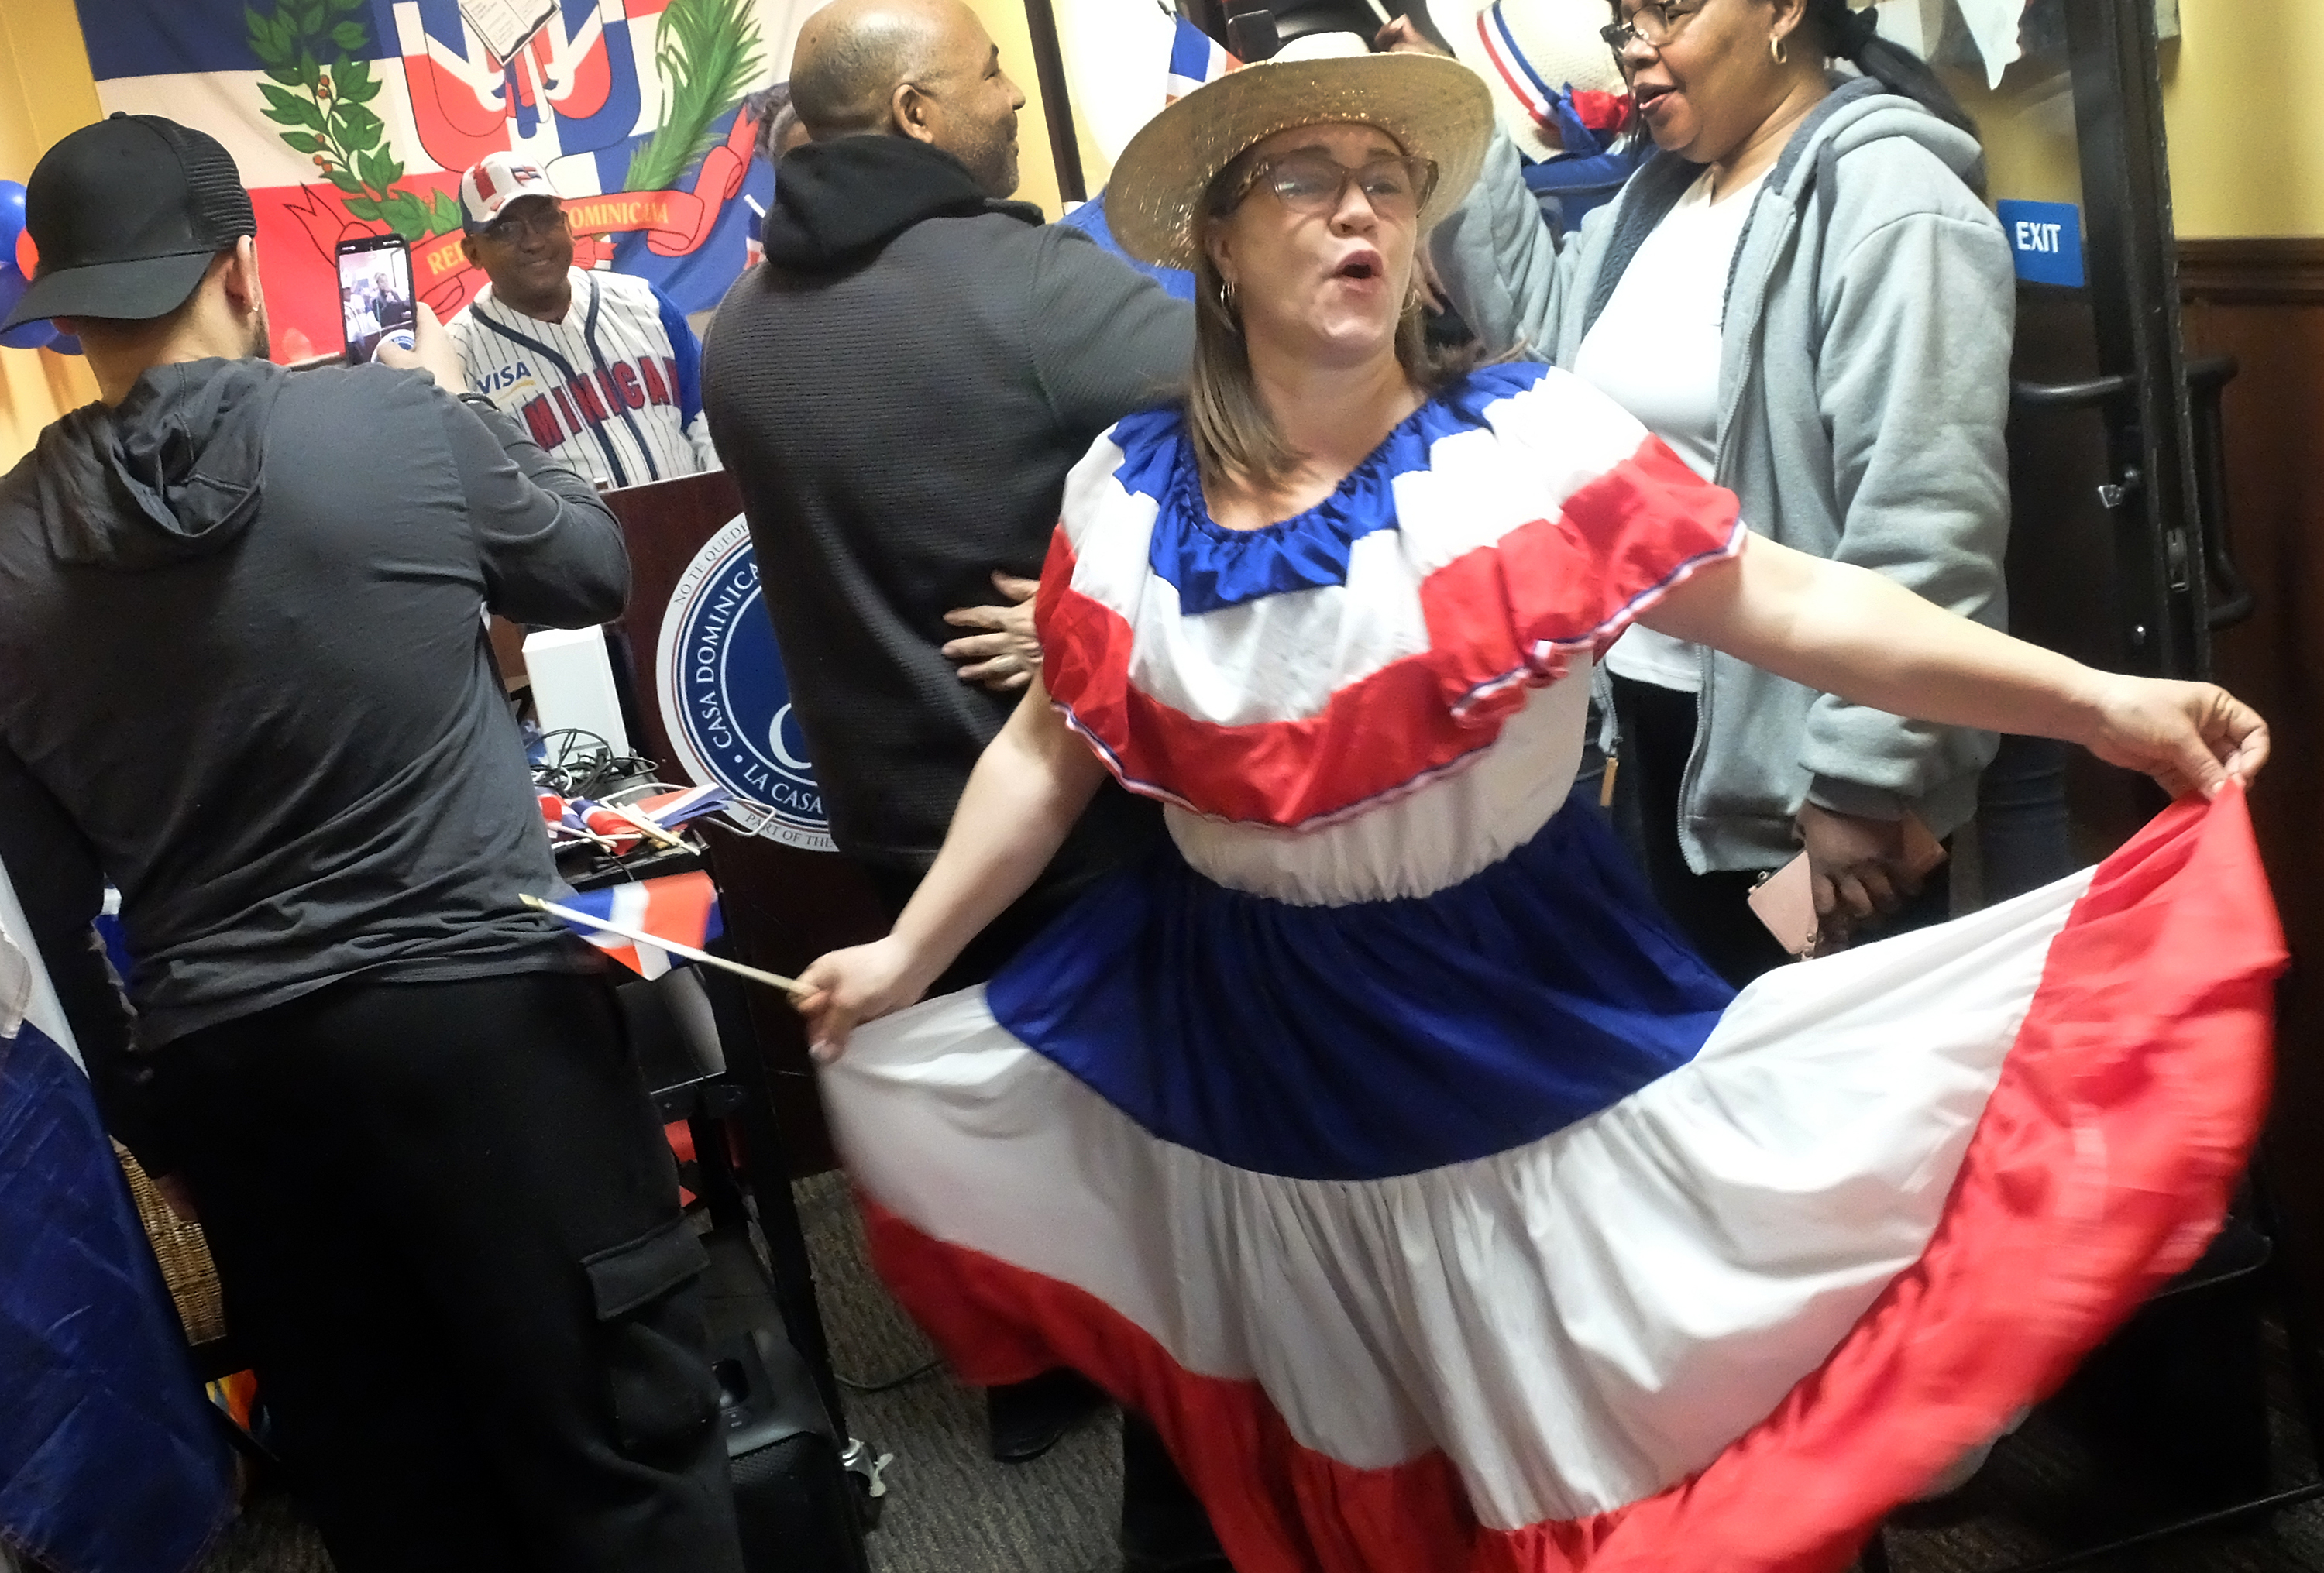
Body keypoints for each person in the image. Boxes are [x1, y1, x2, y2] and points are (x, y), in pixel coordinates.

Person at [789, 51, 2281, 1571]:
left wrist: (2103, 700)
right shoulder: (1121, 495)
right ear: (1220, 247)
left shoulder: (1522, 448)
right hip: (1251, 1050)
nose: (1359, 206)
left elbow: (1790, 600)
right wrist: (910, 953)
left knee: (1601, 1428)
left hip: (1514, 1026)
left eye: (1386, 180)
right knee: (1344, 1435)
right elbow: (1053, 748)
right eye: (1307, 179)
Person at [0, 117, 742, 1573]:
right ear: (235, 268)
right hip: (488, 1036)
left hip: (243, 1077)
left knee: (397, 1484)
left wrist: (157, 1114)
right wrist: (451, 423)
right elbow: (590, 569)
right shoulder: (390, 417)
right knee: (623, 1452)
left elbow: (38, 885)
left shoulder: (8, 552)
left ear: (69, 314)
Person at [699, 0, 1210, 1538]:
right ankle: (1161, 1388)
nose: (1011, 98)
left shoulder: (742, 330)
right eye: (990, 70)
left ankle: (1030, 1374)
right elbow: (1298, 402)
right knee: (1156, 1150)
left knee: (1001, 1112)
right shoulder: (1027, 288)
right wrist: (1107, 602)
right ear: (918, 113)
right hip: (1076, 812)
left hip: (890, 816)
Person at [1420, 0, 2050, 982]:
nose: (1636, 45)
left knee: (1825, 1104)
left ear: (1784, 11)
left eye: (1667, 10)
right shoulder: (1655, 197)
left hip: (1807, 770)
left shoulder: (1891, 200)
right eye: (1622, 20)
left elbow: (1929, 523)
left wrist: (1860, 779)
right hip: (1659, 734)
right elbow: (1545, 358)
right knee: (1704, 1082)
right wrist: (1457, 127)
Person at [447, 150, 720, 487]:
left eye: (546, 218)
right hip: (575, 540)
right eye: (506, 229)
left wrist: (721, 507)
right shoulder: (455, 360)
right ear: (473, 252)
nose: (533, 241)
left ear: (567, 224)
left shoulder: (644, 301)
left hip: (697, 522)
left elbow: (709, 417)